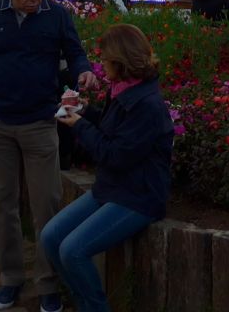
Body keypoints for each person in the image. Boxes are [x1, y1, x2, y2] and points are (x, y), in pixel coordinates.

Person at [0, 0, 96, 312]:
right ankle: (10, 278)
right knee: (3, 205)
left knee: (47, 207)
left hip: (39, 122)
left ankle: (47, 282)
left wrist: (83, 70)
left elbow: (74, 51)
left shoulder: (56, 15)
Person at [42, 24, 174, 312]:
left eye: (104, 59)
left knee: (73, 250)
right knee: (50, 237)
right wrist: (85, 111)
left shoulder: (147, 104)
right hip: (113, 187)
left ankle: (95, 307)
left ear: (120, 61)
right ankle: (83, 301)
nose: (100, 65)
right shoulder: (125, 90)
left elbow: (116, 154)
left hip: (138, 195)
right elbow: (113, 128)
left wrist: (79, 125)